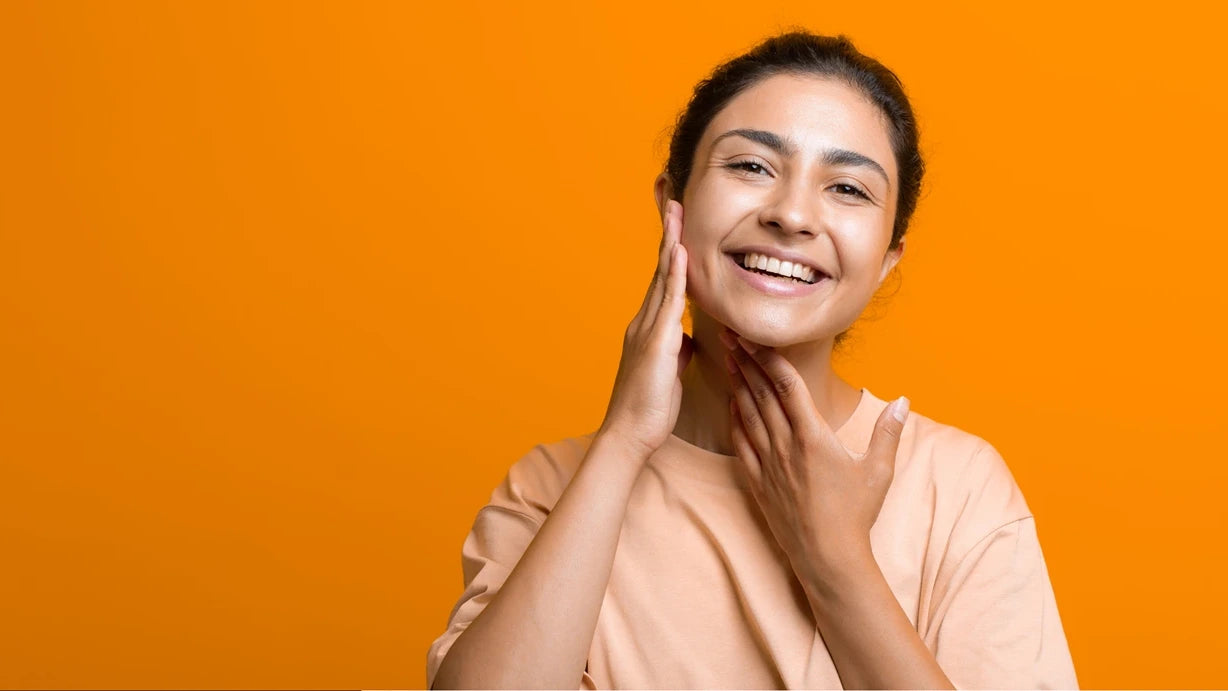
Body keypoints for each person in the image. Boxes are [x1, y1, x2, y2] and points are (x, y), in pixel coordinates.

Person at [426, 29, 1079, 690]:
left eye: (848, 189)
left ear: (887, 260)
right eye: (751, 167)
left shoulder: (958, 488)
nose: (793, 215)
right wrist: (623, 442)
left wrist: (836, 559)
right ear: (671, 204)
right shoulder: (551, 489)